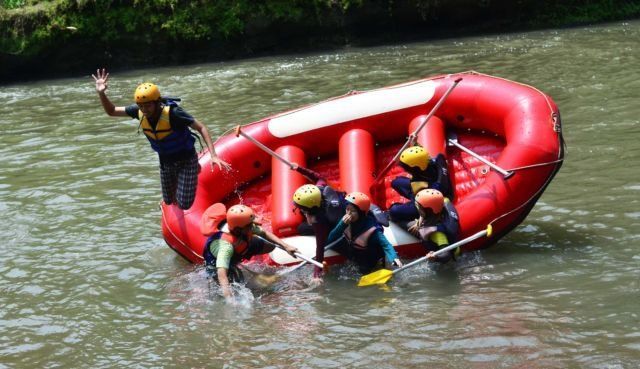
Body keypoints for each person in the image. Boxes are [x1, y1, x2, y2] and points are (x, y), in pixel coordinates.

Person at [92, 68, 230, 210]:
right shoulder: (138, 111)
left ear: (157, 103)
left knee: (184, 204)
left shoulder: (174, 114)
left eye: (148, 105)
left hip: (186, 160)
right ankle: (180, 182)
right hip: (165, 162)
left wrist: (213, 155)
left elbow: (201, 127)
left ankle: (194, 170)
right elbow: (112, 111)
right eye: (141, 106)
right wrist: (101, 93)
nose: (144, 109)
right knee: (169, 201)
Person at [201, 204, 298, 300]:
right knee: (239, 285)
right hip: (216, 263)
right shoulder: (226, 247)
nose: (253, 226)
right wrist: (229, 300)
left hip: (240, 246)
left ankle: (243, 254)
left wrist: (286, 247)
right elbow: (222, 275)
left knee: (270, 245)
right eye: (250, 225)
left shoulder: (243, 226)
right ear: (239, 230)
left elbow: (264, 233)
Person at [326, 192, 402, 274]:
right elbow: (330, 239)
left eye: (353, 211)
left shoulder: (373, 229)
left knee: (364, 270)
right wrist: (342, 225)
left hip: (367, 259)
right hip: (353, 251)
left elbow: (386, 245)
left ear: (361, 213)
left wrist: (394, 258)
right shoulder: (345, 221)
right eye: (347, 209)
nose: (349, 214)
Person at [388, 145, 453, 223]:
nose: (405, 169)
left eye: (406, 167)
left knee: (394, 211)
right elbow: (430, 157)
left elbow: (427, 198)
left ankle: (401, 207)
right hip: (429, 186)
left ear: (415, 168)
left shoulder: (421, 184)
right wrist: (415, 143)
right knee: (396, 182)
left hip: (429, 199)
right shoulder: (436, 161)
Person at [405, 189, 460, 263]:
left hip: (450, 259)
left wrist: (435, 257)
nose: (417, 208)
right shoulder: (443, 202)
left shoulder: (437, 234)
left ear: (426, 211)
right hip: (430, 216)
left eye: (418, 206)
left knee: (408, 225)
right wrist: (420, 220)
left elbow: (447, 255)